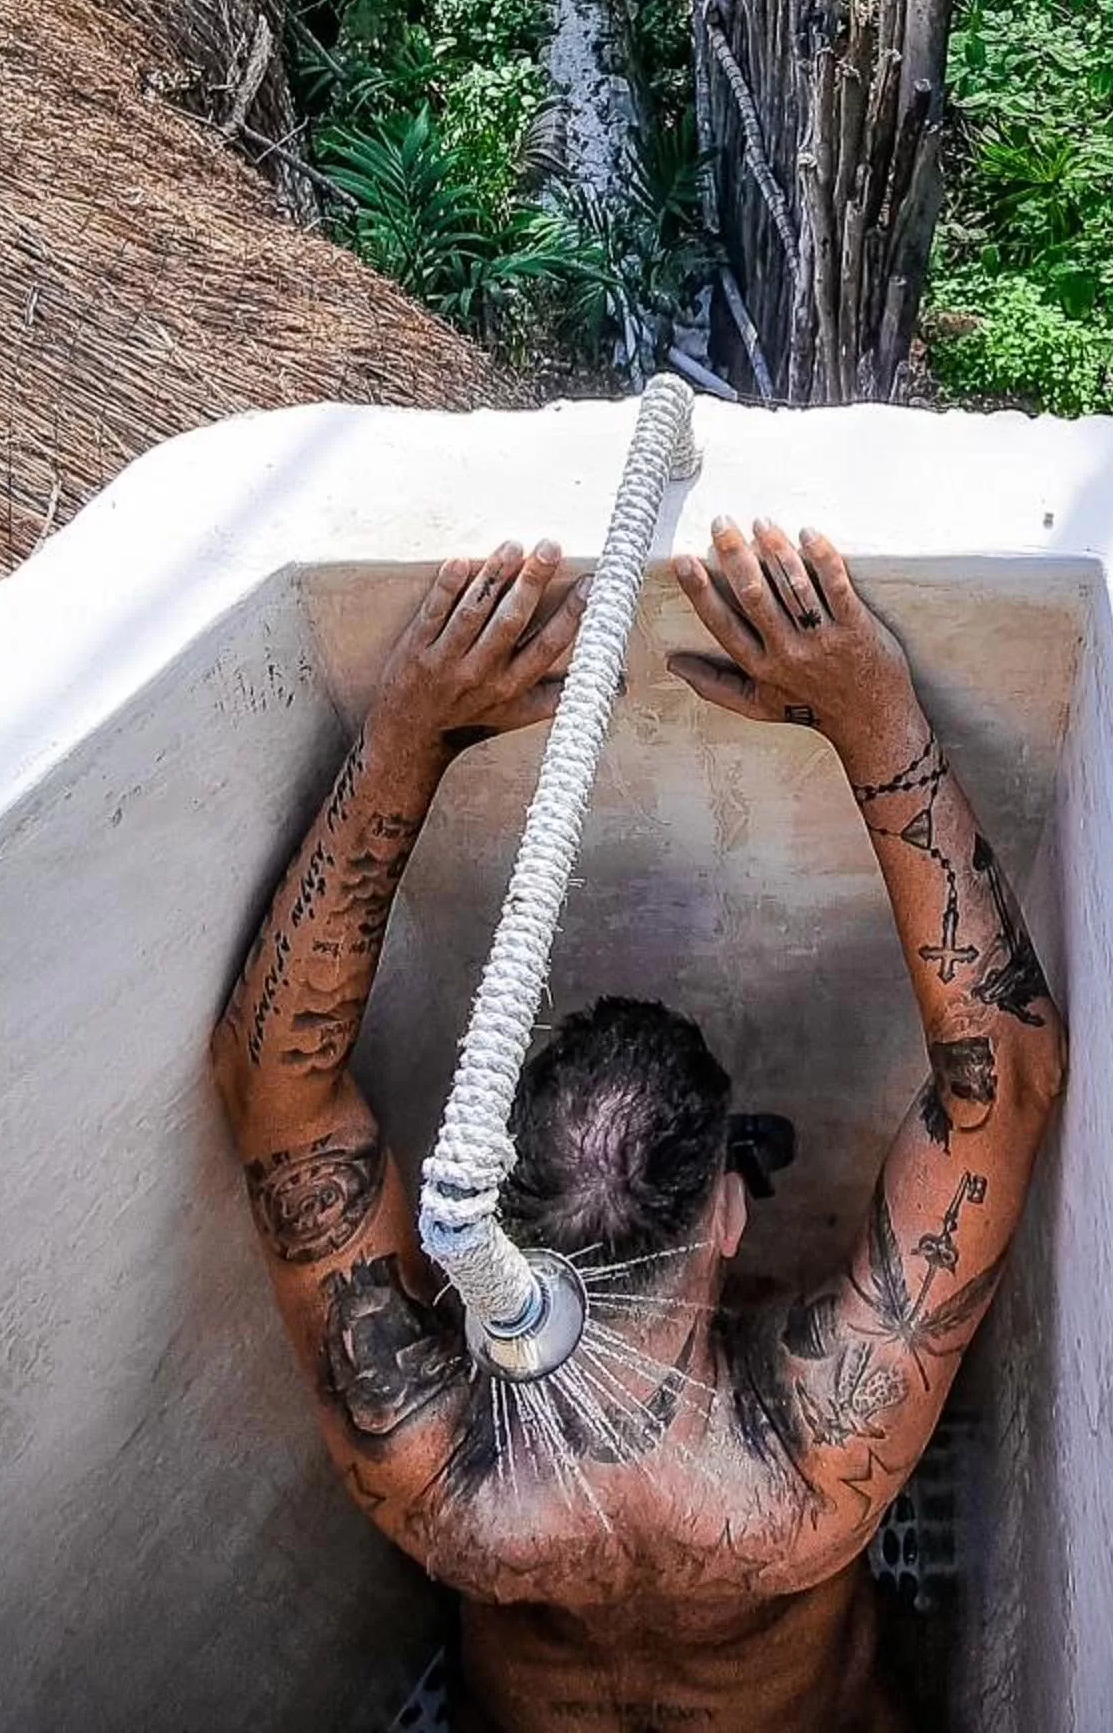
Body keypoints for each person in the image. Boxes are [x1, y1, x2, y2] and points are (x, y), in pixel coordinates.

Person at [212, 516, 1067, 1733]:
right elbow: (1010, 1082)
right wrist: (869, 710)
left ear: (493, 1214)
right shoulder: (818, 1450)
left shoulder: (434, 1460)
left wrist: (411, 729)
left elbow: (270, 1089)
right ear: (727, 1208)